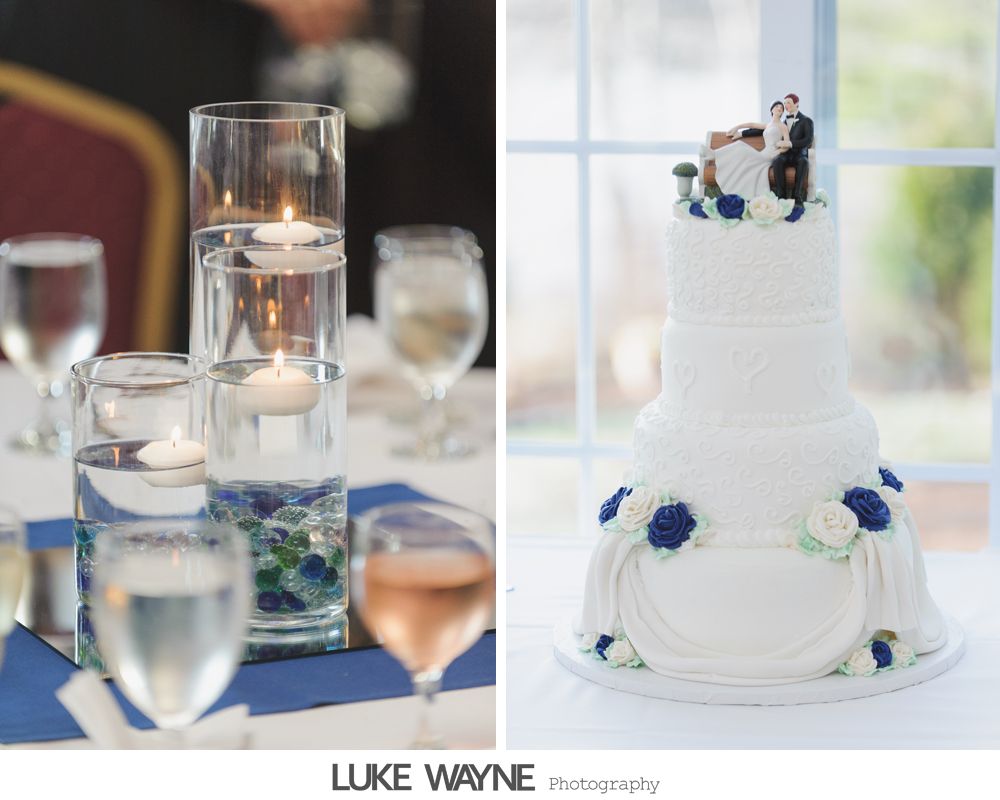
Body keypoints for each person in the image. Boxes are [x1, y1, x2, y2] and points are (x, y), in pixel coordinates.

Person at [740, 93, 814, 204]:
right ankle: (781, 195)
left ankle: (797, 195)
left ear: (796, 104)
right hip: (785, 154)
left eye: (788, 102)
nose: (785, 105)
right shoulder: (782, 122)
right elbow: (762, 129)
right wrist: (742, 133)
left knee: (803, 162)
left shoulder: (806, 121)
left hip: (799, 154)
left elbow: (808, 140)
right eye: (784, 103)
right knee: (777, 161)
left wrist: (790, 143)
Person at [713, 101, 790, 199]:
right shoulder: (768, 125)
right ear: (772, 109)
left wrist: (777, 152)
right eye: (777, 106)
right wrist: (738, 127)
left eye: (781, 108)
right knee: (742, 157)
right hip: (763, 154)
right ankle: (717, 158)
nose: (779, 108)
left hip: (771, 156)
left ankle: (715, 154)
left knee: (741, 146)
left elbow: (787, 144)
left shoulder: (783, 126)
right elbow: (752, 124)